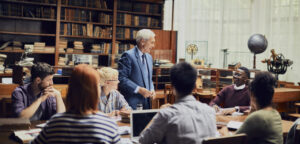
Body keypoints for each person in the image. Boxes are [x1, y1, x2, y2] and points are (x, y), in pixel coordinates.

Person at [32, 64, 120, 144]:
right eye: (98, 85)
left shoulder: (54, 124)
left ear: (70, 90)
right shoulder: (108, 125)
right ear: (95, 92)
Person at [139, 62, 217, 144]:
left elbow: (142, 141)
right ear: (194, 87)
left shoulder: (166, 114)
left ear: (172, 88)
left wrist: (157, 114)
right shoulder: (210, 112)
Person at [235, 72, 283, 144]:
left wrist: (224, 131)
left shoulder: (258, 117)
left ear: (253, 94)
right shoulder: (275, 113)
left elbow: (234, 140)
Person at [118, 29, 156, 109]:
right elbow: (121, 78)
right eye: (152, 42)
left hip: (147, 103)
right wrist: (139, 89)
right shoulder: (128, 55)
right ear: (142, 41)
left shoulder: (149, 57)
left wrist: (152, 89)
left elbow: (149, 78)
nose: (153, 46)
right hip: (132, 103)